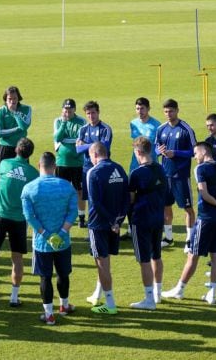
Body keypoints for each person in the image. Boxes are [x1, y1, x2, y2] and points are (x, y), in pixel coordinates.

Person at [162, 141, 216, 305]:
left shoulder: (200, 169)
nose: (194, 157)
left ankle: (179, 289)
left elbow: (204, 194)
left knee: (192, 255)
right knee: (215, 256)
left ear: (203, 152)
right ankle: (212, 293)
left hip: (205, 219)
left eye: (195, 153)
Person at [0, 138, 39, 311]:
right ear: (30, 154)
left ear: (16, 150)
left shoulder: (4, 164)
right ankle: (14, 296)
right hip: (19, 219)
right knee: (17, 259)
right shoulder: (33, 173)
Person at [21, 152, 78, 326]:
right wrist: (61, 233)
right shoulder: (67, 187)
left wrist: (45, 234)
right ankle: (64, 306)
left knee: (45, 277)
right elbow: (73, 212)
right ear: (54, 167)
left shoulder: (29, 188)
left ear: (39, 166)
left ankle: (49, 315)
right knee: (63, 273)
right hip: (63, 241)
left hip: (41, 243)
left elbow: (29, 216)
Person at [83, 143, 128, 314]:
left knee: (101, 264)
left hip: (99, 224)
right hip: (114, 225)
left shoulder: (93, 173)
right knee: (105, 262)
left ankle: (110, 305)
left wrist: (111, 221)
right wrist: (118, 221)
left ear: (94, 154)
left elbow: (95, 203)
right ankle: (97, 295)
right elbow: (126, 198)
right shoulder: (119, 169)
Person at [126, 137, 168, 310]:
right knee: (156, 255)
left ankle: (149, 299)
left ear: (138, 152)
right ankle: (157, 293)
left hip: (141, 220)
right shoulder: (160, 169)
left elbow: (130, 199)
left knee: (144, 259)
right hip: (158, 218)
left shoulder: (135, 174)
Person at [155, 99, 197, 248]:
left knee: (187, 208)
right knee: (166, 206)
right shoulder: (161, 129)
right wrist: (158, 151)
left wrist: (176, 153)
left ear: (177, 110)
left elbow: (194, 151)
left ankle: (190, 240)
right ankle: (168, 237)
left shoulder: (186, 129)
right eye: (166, 111)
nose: (168, 114)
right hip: (165, 175)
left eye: (171, 111)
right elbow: (155, 147)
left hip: (181, 176)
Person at [75, 100, 113, 228]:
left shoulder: (105, 129)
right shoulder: (83, 129)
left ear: (98, 112)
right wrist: (93, 146)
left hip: (102, 167)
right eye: (88, 113)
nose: (91, 116)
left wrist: (85, 145)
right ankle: (93, 225)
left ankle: (107, 221)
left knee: (104, 196)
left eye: (93, 113)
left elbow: (104, 147)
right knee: (91, 198)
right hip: (87, 168)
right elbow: (78, 149)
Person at [0, 86, 32, 204]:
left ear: (18, 98)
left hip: (21, 148)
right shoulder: (0, 111)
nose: (12, 101)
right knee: (0, 177)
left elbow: (24, 126)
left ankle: (23, 205)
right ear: (5, 99)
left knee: (22, 176)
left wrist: (15, 113)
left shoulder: (26, 109)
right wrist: (16, 129)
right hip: (4, 147)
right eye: (9, 99)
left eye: (14, 98)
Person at [52, 99, 86, 228]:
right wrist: (64, 124)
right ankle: (62, 215)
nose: (67, 112)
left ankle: (82, 216)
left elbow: (80, 139)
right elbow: (57, 137)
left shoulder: (81, 121)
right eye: (65, 109)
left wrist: (67, 140)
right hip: (62, 163)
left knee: (79, 191)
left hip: (78, 163)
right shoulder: (58, 121)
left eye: (70, 109)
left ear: (74, 109)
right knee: (61, 190)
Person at [129, 97, 160, 172]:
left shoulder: (157, 125)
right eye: (137, 109)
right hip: (135, 164)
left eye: (142, 108)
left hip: (151, 164)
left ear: (148, 108)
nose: (139, 111)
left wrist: (156, 154)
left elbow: (160, 146)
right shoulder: (133, 123)